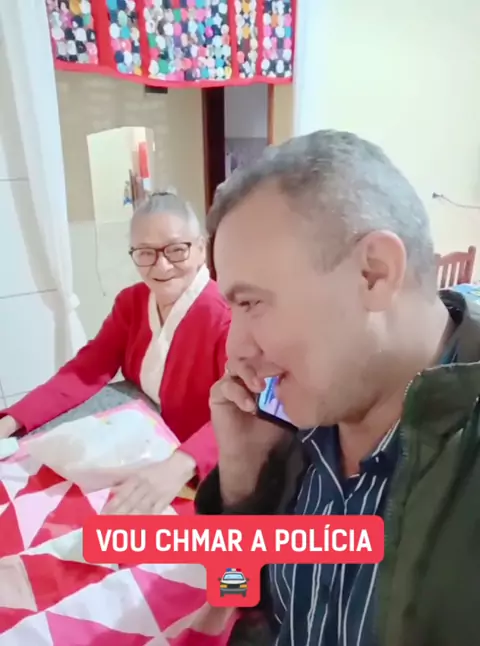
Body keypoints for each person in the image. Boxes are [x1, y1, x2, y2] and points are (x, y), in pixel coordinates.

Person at [195, 130, 480, 646]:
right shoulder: (301, 425)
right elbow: (237, 594)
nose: (235, 350)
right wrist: (240, 482)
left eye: (253, 303)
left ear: (374, 274)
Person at [0, 191, 230, 513]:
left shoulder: (225, 316)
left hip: (207, 464)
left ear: (202, 248)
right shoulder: (132, 303)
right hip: (145, 448)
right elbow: (86, 371)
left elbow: (242, 410)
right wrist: (12, 421)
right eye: (146, 252)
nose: (162, 265)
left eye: (177, 249)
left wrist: (182, 462)